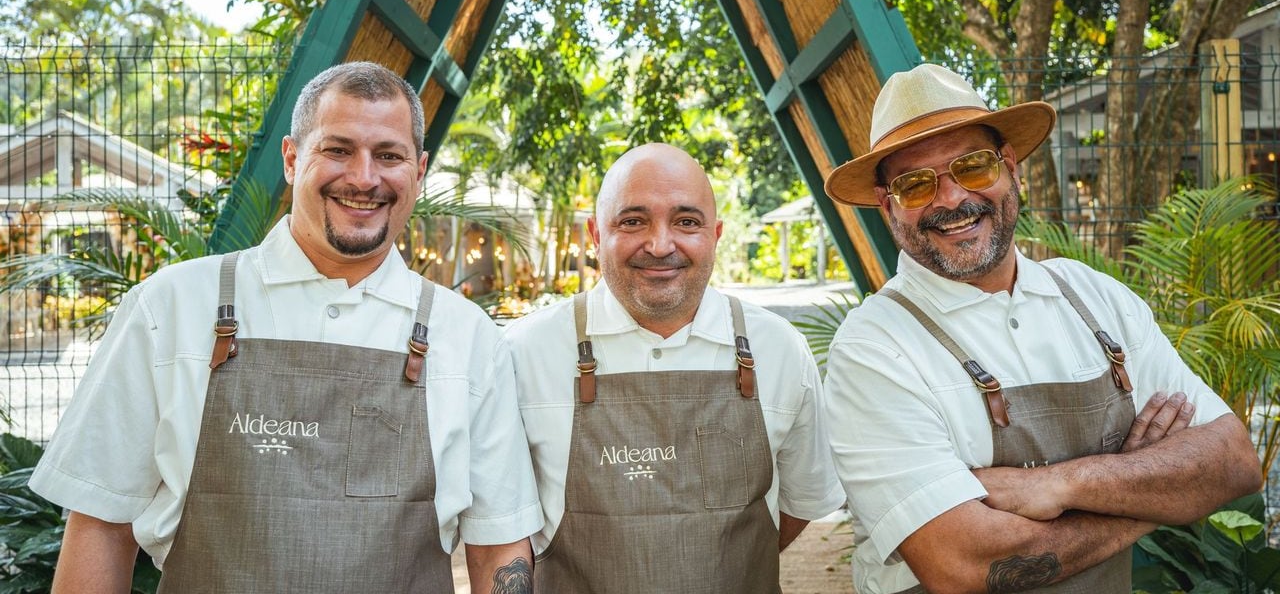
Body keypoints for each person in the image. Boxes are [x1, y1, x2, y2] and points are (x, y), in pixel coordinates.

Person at [31, 62, 541, 593]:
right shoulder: (170, 308)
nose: (364, 178)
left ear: (419, 170)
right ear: (292, 159)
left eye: (389, 155)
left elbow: (498, 545)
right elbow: (101, 524)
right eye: (338, 150)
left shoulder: (469, 338)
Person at [820, 63, 1262, 594]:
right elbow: (963, 564)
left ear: (1011, 168)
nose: (952, 198)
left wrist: (1059, 484)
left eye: (973, 167)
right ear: (887, 205)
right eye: (915, 185)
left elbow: (1234, 462)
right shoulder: (873, 348)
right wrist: (1152, 492)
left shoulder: (1095, 297)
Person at [499, 142, 846, 593]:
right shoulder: (523, 352)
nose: (661, 245)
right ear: (596, 235)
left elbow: (800, 504)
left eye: (686, 222)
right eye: (633, 221)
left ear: (715, 235)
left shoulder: (779, 349)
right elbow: (500, 523)